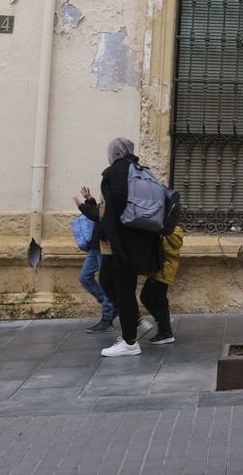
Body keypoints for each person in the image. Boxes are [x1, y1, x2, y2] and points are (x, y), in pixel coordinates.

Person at [77, 137, 162, 357]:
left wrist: (87, 209)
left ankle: (130, 342)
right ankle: (134, 325)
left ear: (114, 152)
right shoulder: (141, 170)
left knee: (122, 289)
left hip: (119, 244)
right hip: (139, 242)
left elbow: (109, 212)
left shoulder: (114, 173)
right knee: (106, 280)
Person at [136, 223, 184, 345]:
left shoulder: (169, 232)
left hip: (163, 270)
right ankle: (164, 323)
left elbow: (167, 250)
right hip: (159, 270)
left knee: (157, 299)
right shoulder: (165, 231)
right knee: (150, 297)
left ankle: (166, 330)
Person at [72, 205, 116, 333]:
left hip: (105, 245)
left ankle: (107, 319)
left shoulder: (114, 194)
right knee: (85, 277)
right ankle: (111, 305)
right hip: (95, 245)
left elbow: (99, 215)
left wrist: (82, 206)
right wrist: (90, 201)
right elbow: (97, 213)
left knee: (105, 281)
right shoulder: (105, 196)